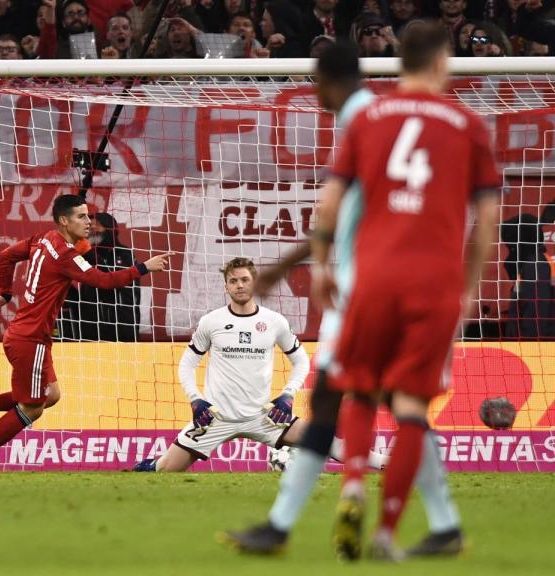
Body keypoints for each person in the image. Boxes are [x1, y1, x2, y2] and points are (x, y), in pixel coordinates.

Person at [224, 41, 466, 559]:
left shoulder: (366, 122)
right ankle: (439, 521)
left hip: (365, 292)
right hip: (399, 287)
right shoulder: (389, 118)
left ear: (329, 80)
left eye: (315, 82)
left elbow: (335, 217)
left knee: (343, 400)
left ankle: (295, 518)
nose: (312, 93)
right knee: (393, 404)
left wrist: (290, 268)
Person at [319, 25, 499, 560]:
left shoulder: (368, 116)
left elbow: (330, 201)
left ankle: (352, 483)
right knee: (411, 406)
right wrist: (469, 286)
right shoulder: (468, 123)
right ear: (442, 61)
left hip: (372, 276)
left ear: (400, 63)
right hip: (433, 283)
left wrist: (326, 265)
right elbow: (488, 218)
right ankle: (386, 532)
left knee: (359, 388)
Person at [0, 194, 171, 473]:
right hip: (29, 340)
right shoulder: (66, 256)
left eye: (89, 216)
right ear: (63, 220)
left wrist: (6, 294)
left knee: (51, 394)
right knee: (32, 407)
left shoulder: (42, 239)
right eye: (82, 217)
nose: (89, 223)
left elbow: (7, 256)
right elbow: (103, 281)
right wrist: (144, 267)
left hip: (31, 335)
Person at [132, 257, 385, 472]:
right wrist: (196, 400)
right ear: (226, 287)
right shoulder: (211, 322)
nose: (239, 286)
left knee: (325, 438)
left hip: (263, 416)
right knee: (166, 469)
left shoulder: (274, 322)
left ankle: (387, 463)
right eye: (233, 281)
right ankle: (152, 465)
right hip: (216, 418)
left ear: (253, 282)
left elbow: (300, 361)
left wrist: (287, 395)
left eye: (244, 280)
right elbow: (187, 364)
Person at [75, 212, 140, 342]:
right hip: (90, 326)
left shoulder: (124, 253)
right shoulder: (84, 254)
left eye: (98, 225)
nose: (92, 228)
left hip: (121, 326)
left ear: (110, 228)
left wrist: (90, 255)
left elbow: (114, 280)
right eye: (90, 225)